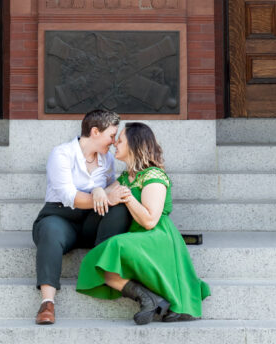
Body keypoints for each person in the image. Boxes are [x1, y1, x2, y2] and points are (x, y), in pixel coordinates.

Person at [76, 121, 211, 323]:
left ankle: (161, 300)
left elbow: (149, 220)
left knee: (113, 246)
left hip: (157, 236)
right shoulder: (126, 177)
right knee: (99, 262)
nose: (115, 144)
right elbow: (105, 194)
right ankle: (150, 299)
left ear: (134, 144)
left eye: (120, 140)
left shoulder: (153, 176)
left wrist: (129, 198)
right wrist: (97, 191)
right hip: (137, 235)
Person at [32, 108, 131, 325]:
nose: (114, 142)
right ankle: (47, 303)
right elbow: (69, 196)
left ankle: (102, 268)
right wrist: (101, 193)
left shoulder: (107, 161)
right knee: (50, 231)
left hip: (92, 220)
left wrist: (107, 192)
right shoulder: (62, 153)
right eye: (111, 135)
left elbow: (110, 190)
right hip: (60, 216)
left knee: (120, 207)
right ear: (95, 132)